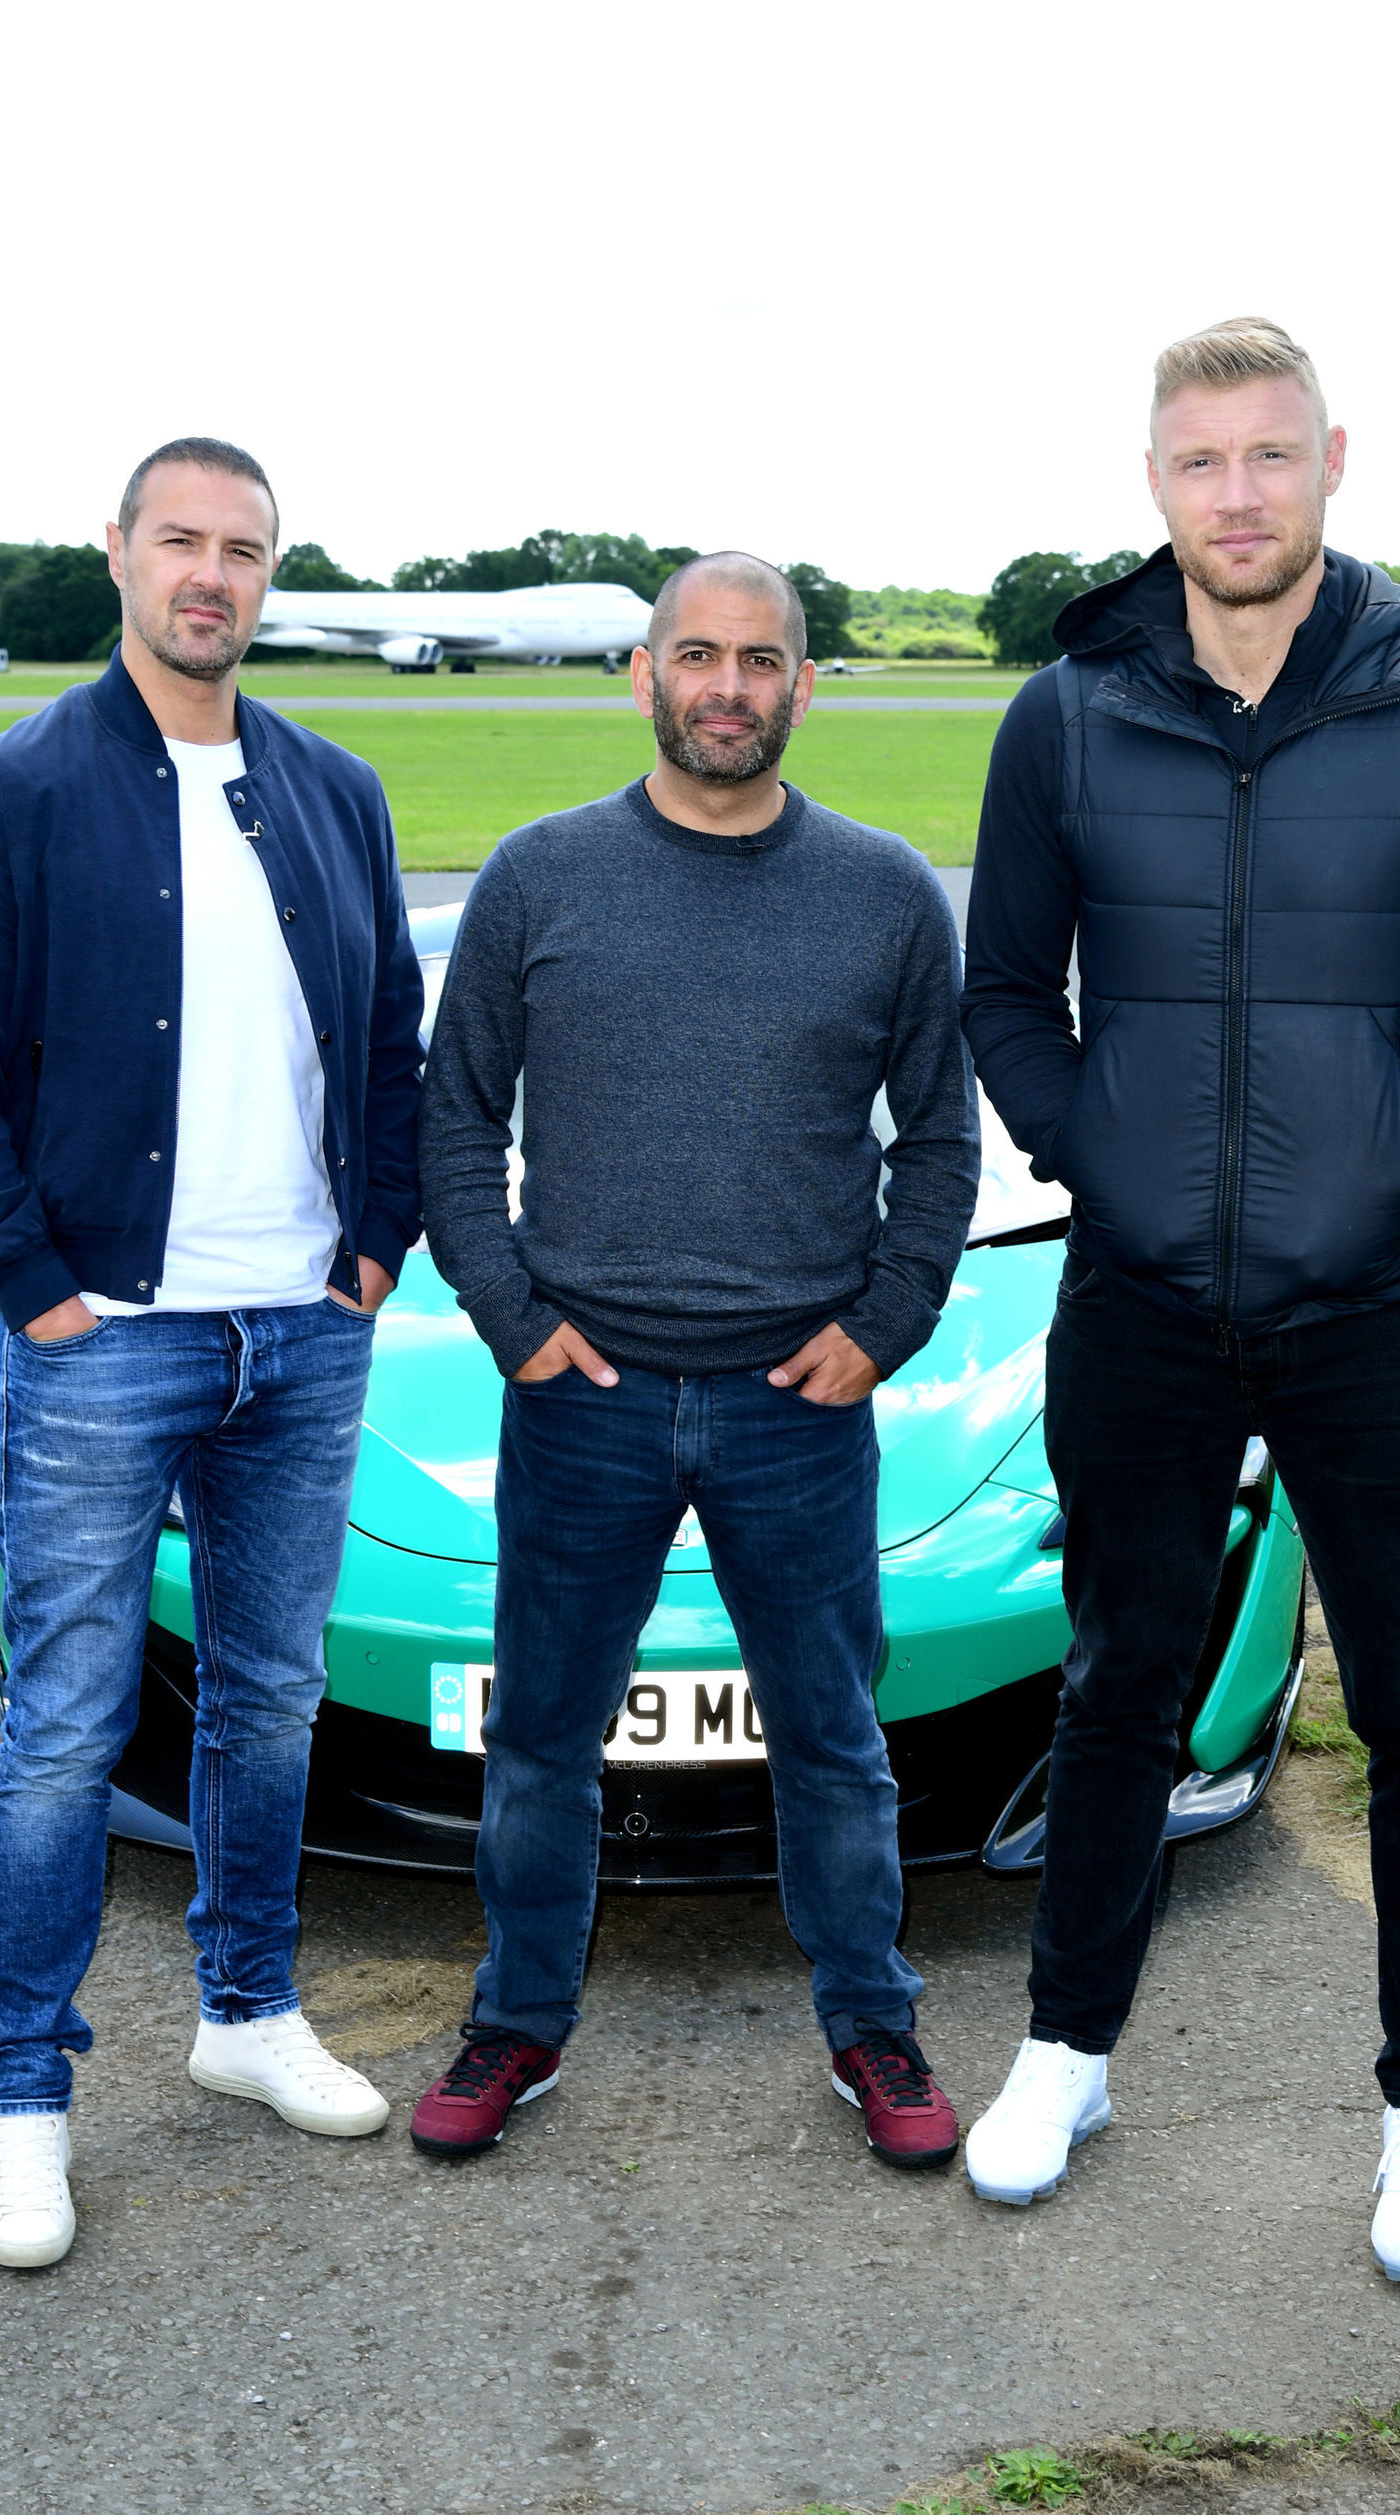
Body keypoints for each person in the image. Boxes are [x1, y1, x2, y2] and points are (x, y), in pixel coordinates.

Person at [958, 320, 1400, 2281]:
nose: (1234, 495)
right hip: (1144, 1304)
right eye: (1196, 464)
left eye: (1267, 456)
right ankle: (1066, 2050)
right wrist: (1112, 1160)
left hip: (1378, 1302)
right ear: (1152, 480)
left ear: (1333, 457)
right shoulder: (1068, 710)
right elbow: (1007, 990)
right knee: (1115, 1692)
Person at [0, 437, 426, 2269]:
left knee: (272, 1700)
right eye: (182, 541)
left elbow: (388, 1051)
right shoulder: (13, 788)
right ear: (117, 553)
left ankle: (247, 2011)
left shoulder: (334, 789)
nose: (214, 575)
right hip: (105, 1332)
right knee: (66, 1731)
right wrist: (33, 1281)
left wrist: (370, 1256)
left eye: (247, 551)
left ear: (272, 576)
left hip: (304, 1325)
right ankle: (24, 2097)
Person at [415, 553, 980, 2169]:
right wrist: (514, 1319)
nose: (727, 686)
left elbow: (942, 1136)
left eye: (760, 660)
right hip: (583, 1401)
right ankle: (517, 2023)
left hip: (793, 1408)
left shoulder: (882, 891)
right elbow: (455, 1115)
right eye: (697, 656)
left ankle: (872, 2024)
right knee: (541, 1738)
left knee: (832, 1737)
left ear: (805, 686)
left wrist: (885, 1326)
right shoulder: (540, 876)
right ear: (643, 674)